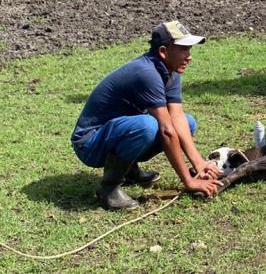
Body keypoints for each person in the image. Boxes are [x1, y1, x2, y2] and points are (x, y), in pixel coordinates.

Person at [71, 21, 222, 210]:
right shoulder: (146, 73)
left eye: (189, 50)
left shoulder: (170, 71)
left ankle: (129, 170)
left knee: (187, 122)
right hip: (89, 144)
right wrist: (189, 181)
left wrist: (199, 164)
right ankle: (108, 188)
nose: (189, 57)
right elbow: (167, 132)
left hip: (116, 132)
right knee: (147, 126)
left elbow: (177, 118)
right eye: (183, 50)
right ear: (163, 51)